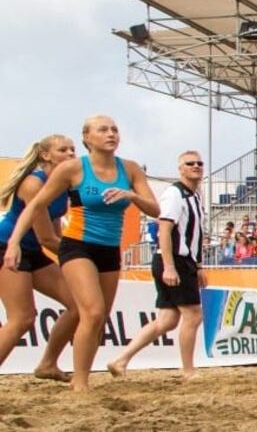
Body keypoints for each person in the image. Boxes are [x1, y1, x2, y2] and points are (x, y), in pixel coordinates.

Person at [3, 115, 159, 392]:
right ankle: (80, 384)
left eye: (114, 129)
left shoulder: (131, 169)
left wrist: (132, 197)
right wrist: (16, 242)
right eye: (103, 129)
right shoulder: (65, 173)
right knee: (52, 314)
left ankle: (57, 367)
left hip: (105, 249)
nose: (111, 133)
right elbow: (38, 215)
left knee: (93, 315)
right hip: (53, 246)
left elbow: (156, 210)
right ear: (88, 138)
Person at [107, 151, 207, 379]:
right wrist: (170, 266)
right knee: (193, 315)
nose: (196, 166)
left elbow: (196, 234)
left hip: (182, 260)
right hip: (173, 260)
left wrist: (198, 265)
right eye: (189, 163)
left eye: (199, 163)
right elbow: (164, 229)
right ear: (180, 168)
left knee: (167, 320)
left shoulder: (195, 195)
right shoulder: (175, 193)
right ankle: (188, 370)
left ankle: (120, 360)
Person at [0, 135, 80, 381]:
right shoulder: (34, 184)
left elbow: (55, 233)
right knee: (22, 318)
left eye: (73, 149)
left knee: (80, 305)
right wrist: (82, 259)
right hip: (7, 248)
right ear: (45, 155)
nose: (70, 154)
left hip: (32, 252)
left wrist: (73, 259)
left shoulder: (62, 184)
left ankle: (48, 364)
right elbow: (47, 239)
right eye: (63, 150)